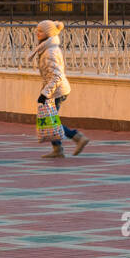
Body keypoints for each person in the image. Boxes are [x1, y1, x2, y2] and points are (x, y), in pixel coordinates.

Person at [32, 20, 90, 158]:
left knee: (51, 121)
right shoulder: (46, 48)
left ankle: (77, 137)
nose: (37, 33)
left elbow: (57, 76)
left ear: (48, 33)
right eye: (37, 30)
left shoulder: (50, 51)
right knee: (50, 119)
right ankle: (58, 149)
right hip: (53, 89)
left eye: (40, 31)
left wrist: (45, 94)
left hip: (57, 91)